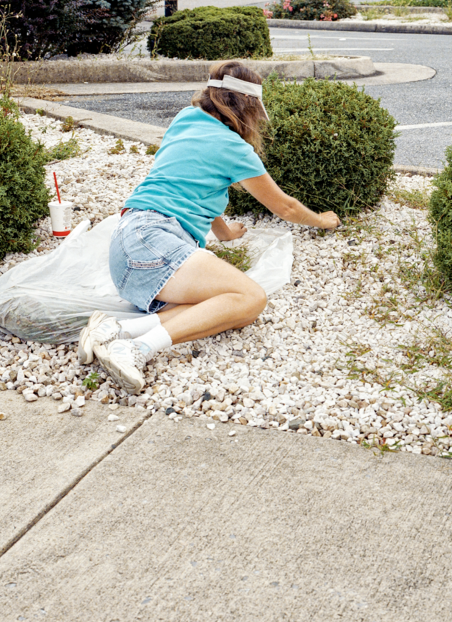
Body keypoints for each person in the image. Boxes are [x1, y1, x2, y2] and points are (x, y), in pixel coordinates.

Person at [77, 61, 341, 393]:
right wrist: (323, 220)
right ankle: (136, 349)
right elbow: (284, 206)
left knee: (227, 311)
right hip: (153, 241)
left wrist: (224, 233)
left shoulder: (185, 119)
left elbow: (192, 182)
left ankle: (116, 330)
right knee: (251, 298)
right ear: (248, 107)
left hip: (129, 248)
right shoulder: (235, 149)